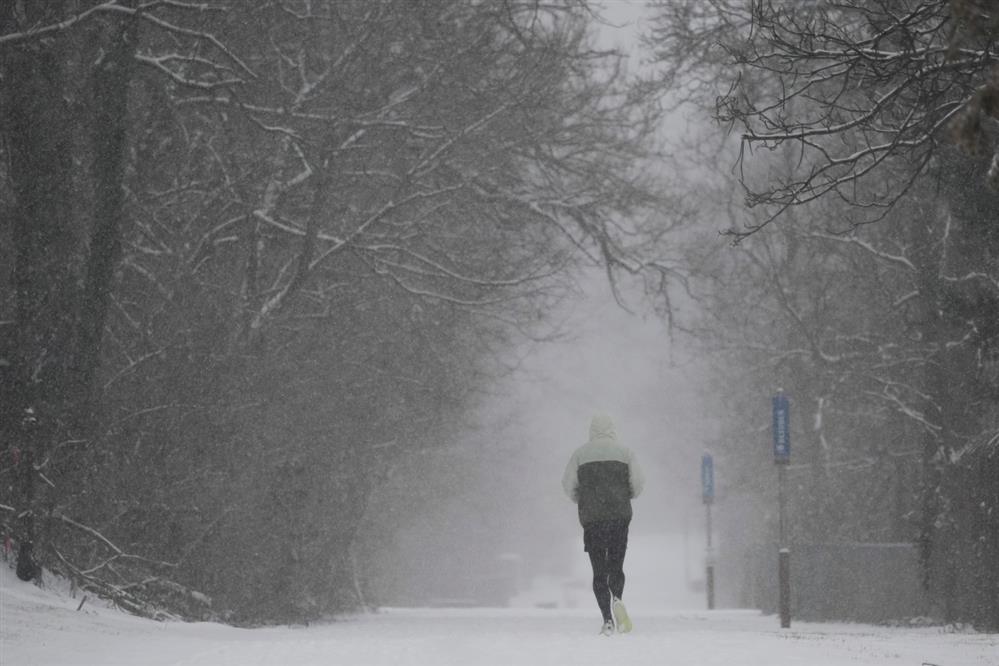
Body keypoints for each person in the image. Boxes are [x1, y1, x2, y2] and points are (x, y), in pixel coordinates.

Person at [562, 412, 644, 635]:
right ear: (612, 429)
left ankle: (607, 619)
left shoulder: (580, 455)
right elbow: (637, 483)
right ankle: (617, 598)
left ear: (591, 430)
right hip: (619, 518)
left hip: (593, 520)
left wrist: (582, 497)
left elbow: (568, 485)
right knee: (616, 565)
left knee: (599, 570)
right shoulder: (625, 453)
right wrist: (627, 494)